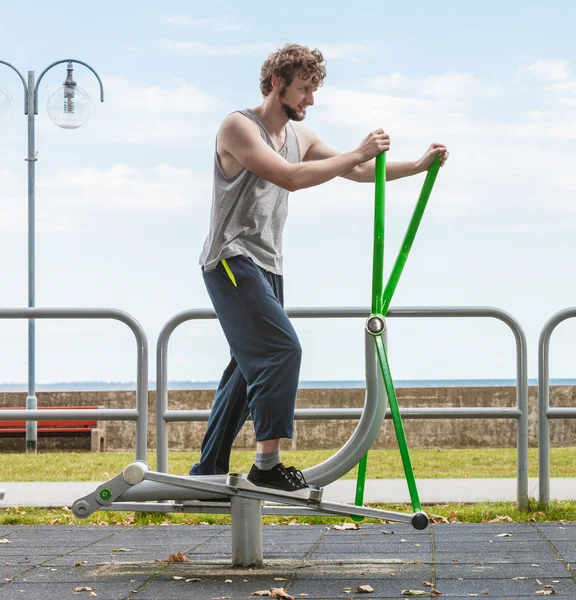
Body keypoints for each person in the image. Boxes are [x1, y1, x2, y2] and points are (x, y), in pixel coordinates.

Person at [190, 43, 449, 495]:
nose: (311, 100)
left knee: (246, 369)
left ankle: (207, 470)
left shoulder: (299, 137)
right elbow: (289, 177)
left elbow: (360, 171)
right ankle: (266, 464)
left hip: (268, 265)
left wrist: (416, 165)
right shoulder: (237, 127)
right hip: (231, 261)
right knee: (281, 351)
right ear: (277, 83)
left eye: (314, 91)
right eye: (305, 90)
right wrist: (355, 152)